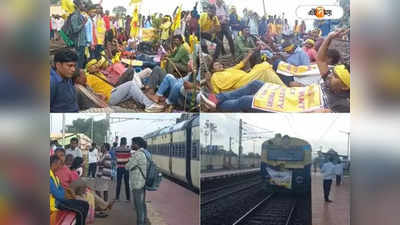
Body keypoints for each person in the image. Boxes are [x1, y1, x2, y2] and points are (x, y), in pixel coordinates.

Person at [75, 62, 164, 112]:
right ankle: (149, 104)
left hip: (113, 90)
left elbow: (94, 93)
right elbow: (92, 97)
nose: (96, 66)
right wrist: (101, 95)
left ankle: (146, 97)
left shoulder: (98, 74)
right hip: (110, 96)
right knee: (130, 84)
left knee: (134, 77)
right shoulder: (86, 82)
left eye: (96, 65)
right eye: (93, 66)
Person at [205, 49, 286, 94]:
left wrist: (249, 55)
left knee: (263, 66)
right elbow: (216, 93)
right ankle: (284, 89)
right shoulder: (214, 77)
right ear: (212, 70)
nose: (220, 65)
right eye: (216, 65)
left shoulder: (228, 69)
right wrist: (208, 81)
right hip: (243, 84)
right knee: (264, 67)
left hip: (247, 76)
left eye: (220, 64)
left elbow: (241, 64)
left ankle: (280, 88)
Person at [50, 155, 89, 225]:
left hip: (60, 200)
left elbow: (60, 189)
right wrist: (62, 192)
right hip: (56, 204)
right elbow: (59, 195)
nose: (60, 167)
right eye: (59, 164)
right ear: (54, 164)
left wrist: (61, 191)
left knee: (85, 205)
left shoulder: (55, 175)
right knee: (80, 211)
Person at [125, 137, 150, 225]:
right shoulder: (146, 153)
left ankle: (140, 223)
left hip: (137, 183)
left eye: (133, 143)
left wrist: (129, 161)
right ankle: (144, 222)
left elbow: (127, 166)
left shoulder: (138, 154)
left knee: (139, 207)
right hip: (143, 181)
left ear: (137, 144)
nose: (132, 145)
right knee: (142, 205)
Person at [50, 48, 79, 113]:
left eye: (74, 66)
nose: (73, 69)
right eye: (70, 66)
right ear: (58, 65)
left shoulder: (68, 78)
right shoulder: (51, 82)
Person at [71, 0, 88, 69]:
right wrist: (83, 23)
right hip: (78, 42)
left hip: (82, 42)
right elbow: (75, 29)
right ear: (78, 5)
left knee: (81, 60)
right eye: (82, 4)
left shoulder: (80, 15)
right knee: (78, 61)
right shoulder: (75, 16)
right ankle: (76, 76)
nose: (83, 5)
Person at [115, 137, 131, 202]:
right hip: (126, 168)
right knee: (127, 183)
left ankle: (117, 197)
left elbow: (116, 157)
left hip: (119, 167)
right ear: (126, 142)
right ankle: (128, 198)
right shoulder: (128, 150)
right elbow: (130, 158)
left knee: (118, 183)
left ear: (120, 142)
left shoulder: (117, 149)